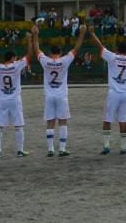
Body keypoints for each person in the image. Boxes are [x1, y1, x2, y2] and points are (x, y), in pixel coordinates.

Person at [33, 24, 86, 157]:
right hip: (61, 95)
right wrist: (82, 34)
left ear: (50, 53)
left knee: (50, 122)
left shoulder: (45, 61)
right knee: (63, 121)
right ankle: (62, 149)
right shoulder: (64, 60)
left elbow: (36, 50)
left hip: (49, 96)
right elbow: (77, 48)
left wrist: (35, 35)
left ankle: (50, 149)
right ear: (60, 53)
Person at [88, 27, 126, 154]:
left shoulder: (112, 57)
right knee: (123, 120)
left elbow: (100, 46)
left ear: (117, 49)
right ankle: (123, 147)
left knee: (107, 118)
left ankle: (106, 146)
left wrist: (93, 33)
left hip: (114, 92)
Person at [0, 34, 32, 158]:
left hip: (2, 99)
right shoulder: (16, 65)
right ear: (13, 58)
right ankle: (20, 151)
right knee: (18, 126)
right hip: (15, 99)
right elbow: (29, 56)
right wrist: (29, 40)